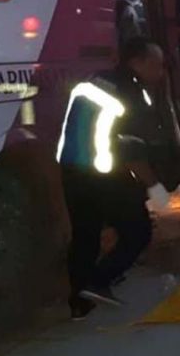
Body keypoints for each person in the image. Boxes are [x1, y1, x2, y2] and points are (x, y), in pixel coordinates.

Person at [58, 37, 173, 319]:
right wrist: (154, 186)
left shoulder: (95, 80)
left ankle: (79, 303)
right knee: (138, 231)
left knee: (85, 235)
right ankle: (99, 280)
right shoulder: (130, 93)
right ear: (138, 62)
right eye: (157, 66)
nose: (161, 73)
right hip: (105, 173)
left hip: (72, 170)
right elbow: (132, 151)